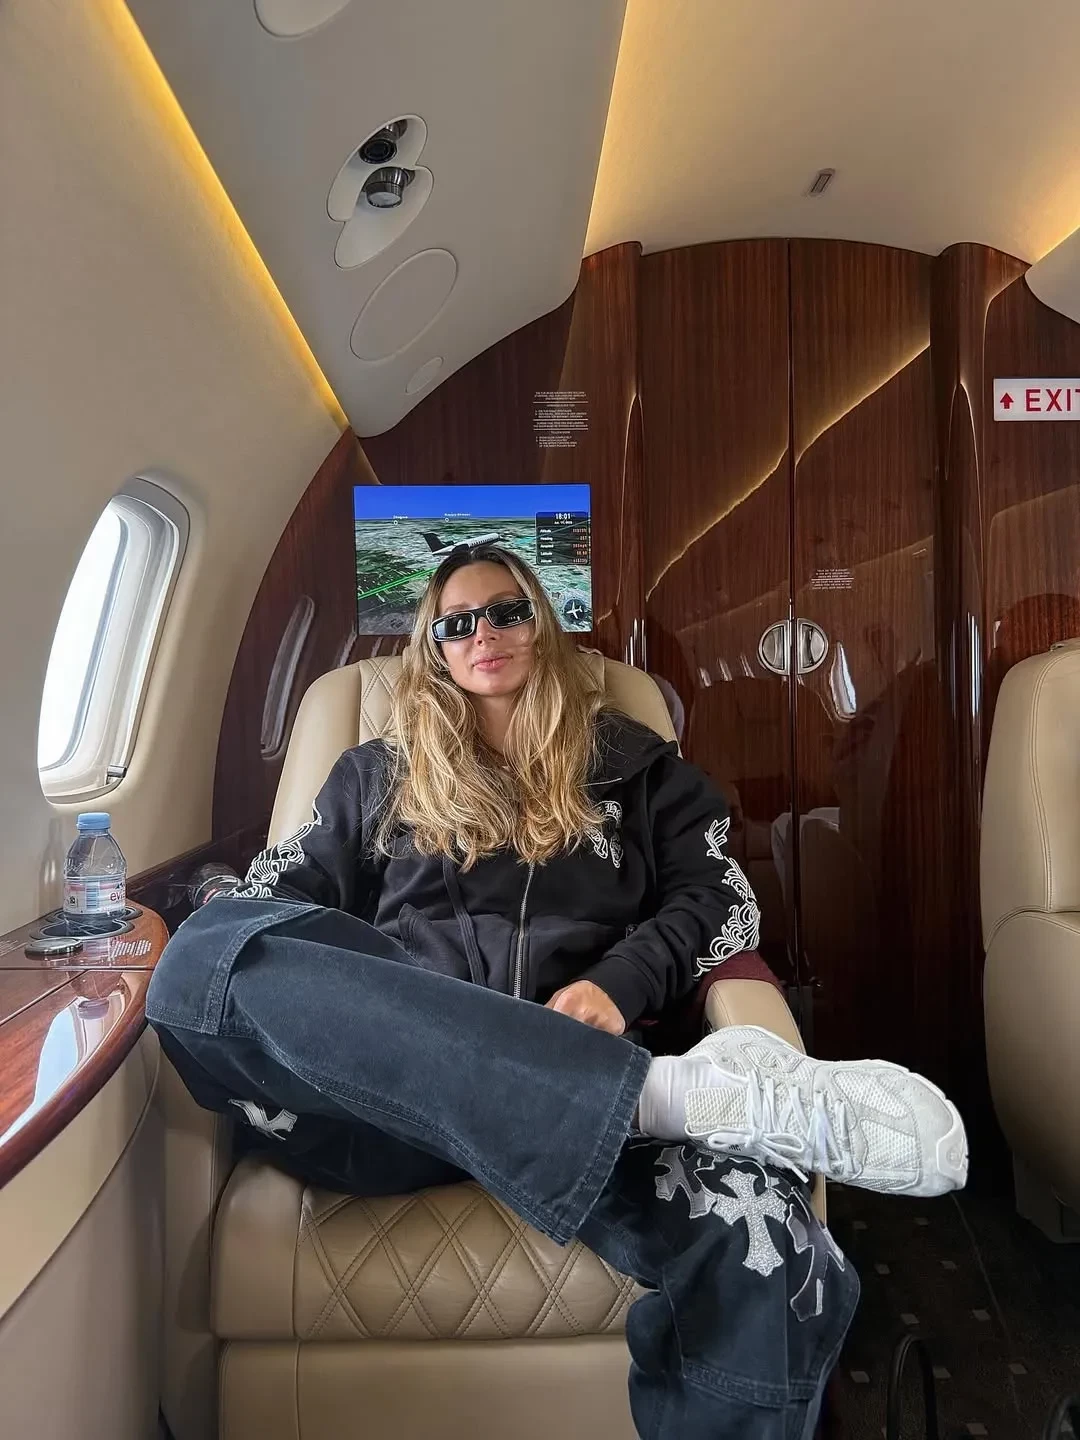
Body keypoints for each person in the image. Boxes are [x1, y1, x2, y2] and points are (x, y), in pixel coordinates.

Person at [147, 544, 968, 1439]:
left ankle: (631, 1096)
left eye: (506, 612)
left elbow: (718, 898)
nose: (483, 635)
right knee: (198, 962)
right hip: (395, 1108)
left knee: (767, 1236)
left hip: (597, 1086)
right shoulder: (374, 777)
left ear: (540, 622)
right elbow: (273, 906)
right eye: (457, 624)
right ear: (433, 648)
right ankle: (664, 1097)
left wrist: (618, 983)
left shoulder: (638, 767)